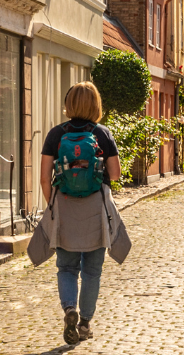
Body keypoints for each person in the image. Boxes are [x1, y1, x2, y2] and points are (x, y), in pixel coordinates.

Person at [39, 82, 121, 345]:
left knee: (66, 267)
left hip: (64, 206)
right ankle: (85, 323)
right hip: (95, 208)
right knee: (92, 271)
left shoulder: (55, 134)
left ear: (69, 103)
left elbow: (43, 178)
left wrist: (54, 205)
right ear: (96, 104)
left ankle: (68, 309)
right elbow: (116, 174)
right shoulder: (103, 134)